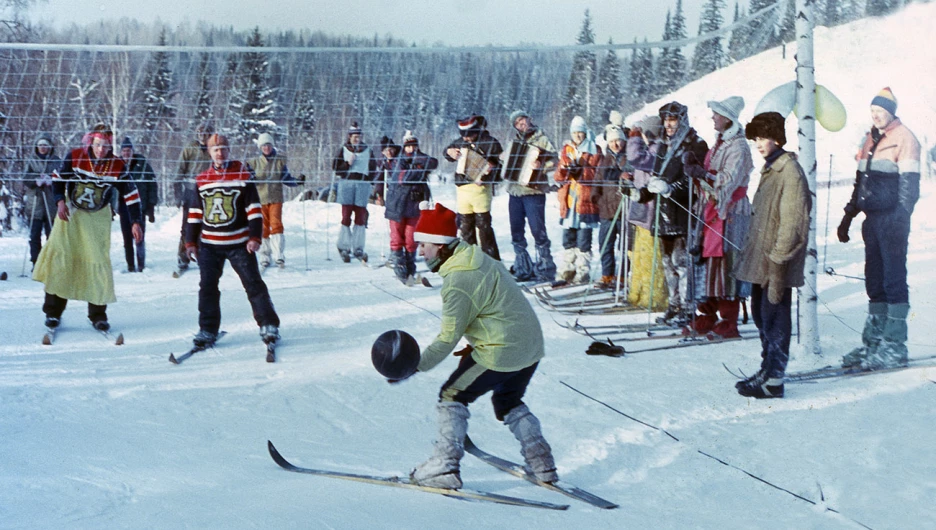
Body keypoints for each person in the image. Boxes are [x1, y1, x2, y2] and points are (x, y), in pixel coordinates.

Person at [405, 202, 558, 489]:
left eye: (424, 244)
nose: (420, 251)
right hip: (530, 345)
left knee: (452, 395)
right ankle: (543, 464)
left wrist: (415, 366)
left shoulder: (459, 280)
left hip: (500, 349)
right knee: (507, 400)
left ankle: (444, 466)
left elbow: (447, 338)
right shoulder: (474, 256)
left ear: (440, 246)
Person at [837, 87, 921, 370]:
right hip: (871, 220)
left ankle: (895, 345)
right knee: (874, 281)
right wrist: (849, 215)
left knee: (893, 279)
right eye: (873, 112)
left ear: (891, 113)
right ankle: (873, 342)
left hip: (892, 219)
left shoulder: (905, 138)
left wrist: (902, 215)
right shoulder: (869, 138)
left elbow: (910, 184)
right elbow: (860, 182)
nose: (876, 117)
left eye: (881, 112)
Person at [32, 124, 142, 331]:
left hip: (97, 217)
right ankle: (53, 312)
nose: (102, 150)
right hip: (71, 213)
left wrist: (136, 221)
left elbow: (131, 193)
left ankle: (98, 314)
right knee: (63, 259)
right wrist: (59, 201)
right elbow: (58, 179)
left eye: (106, 146)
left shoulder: (117, 165)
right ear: (91, 142)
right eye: (98, 145)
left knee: (98, 261)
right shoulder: (75, 156)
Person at [733, 112, 810, 399]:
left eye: (763, 137)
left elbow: (792, 223)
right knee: (762, 316)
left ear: (777, 137)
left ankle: (775, 378)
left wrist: (778, 261)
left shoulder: (789, 171)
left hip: (776, 263)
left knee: (776, 318)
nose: (759, 143)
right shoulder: (770, 169)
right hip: (760, 262)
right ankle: (767, 368)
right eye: (755, 139)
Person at [183, 134, 280, 349]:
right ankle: (208, 329)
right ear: (209, 152)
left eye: (223, 148)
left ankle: (268, 324)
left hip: (239, 243)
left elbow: (254, 210)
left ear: (229, 150)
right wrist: (190, 242)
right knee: (207, 287)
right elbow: (195, 213)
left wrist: (255, 237)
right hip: (210, 245)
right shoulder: (201, 180)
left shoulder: (243, 176)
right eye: (215, 149)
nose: (220, 153)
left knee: (253, 284)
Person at [683, 97, 753, 338]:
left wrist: (704, 174)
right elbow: (710, 179)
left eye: (716, 114)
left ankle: (728, 320)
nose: (713, 117)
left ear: (727, 118)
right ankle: (707, 314)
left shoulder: (738, 147)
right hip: (713, 212)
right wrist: (697, 173)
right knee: (708, 263)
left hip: (731, 213)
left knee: (727, 266)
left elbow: (728, 180)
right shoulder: (720, 144)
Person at [647, 101, 709, 324]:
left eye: (672, 119)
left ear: (682, 119)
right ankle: (674, 304)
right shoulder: (663, 144)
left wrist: (672, 189)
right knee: (668, 263)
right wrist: (643, 191)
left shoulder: (695, 144)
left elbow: (696, 178)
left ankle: (688, 306)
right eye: (665, 120)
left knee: (682, 262)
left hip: (685, 211)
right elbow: (657, 175)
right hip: (664, 213)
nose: (668, 124)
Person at [376, 130, 438, 284]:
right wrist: (419, 171)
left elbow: (433, 163)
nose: (411, 149)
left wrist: (416, 167)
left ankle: (411, 266)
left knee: (411, 239)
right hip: (396, 204)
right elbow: (401, 177)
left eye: (414, 146)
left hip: (414, 204)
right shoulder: (398, 160)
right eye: (408, 147)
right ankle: (399, 265)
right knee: (397, 237)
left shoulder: (421, 158)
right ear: (404, 147)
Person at [503, 110, 557, 283]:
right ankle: (523, 266)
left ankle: (545, 268)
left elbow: (555, 160)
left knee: (537, 229)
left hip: (534, 191)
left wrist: (541, 165)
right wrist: (502, 159)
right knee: (516, 230)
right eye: (517, 123)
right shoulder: (514, 142)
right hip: (515, 191)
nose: (522, 124)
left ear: (529, 119)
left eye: (523, 120)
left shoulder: (542, 139)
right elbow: (507, 163)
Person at [443, 114, 503, 261]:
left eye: (469, 135)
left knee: (484, 227)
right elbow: (447, 152)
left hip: (481, 191)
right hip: (463, 190)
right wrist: (448, 152)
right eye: (463, 136)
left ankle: (492, 261)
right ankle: (471, 261)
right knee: (465, 228)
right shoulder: (459, 143)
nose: (466, 139)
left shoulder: (490, 143)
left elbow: (501, 167)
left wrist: (489, 174)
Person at [626, 116, 669, 311]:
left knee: (651, 257)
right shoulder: (650, 149)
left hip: (650, 213)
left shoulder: (657, 149)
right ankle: (640, 293)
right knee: (640, 256)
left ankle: (655, 297)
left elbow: (635, 158)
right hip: (641, 212)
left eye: (642, 133)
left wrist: (633, 138)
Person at [554, 116, 602, 284]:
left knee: (583, 238)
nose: (578, 136)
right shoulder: (566, 149)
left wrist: (579, 171)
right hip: (569, 200)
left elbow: (596, 175)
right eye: (575, 132)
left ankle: (583, 270)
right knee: (568, 236)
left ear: (585, 132)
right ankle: (568, 267)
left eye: (580, 132)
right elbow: (558, 178)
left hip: (586, 200)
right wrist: (563, 169)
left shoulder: (594, 150)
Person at [247, 132, 298, 269]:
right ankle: (264, 254)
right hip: (260, 198)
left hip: (275, 197)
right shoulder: (253, 163)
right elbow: (249, 179)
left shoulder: (279, 161)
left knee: (276, 224)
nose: (266, 148)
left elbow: (286, 178)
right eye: (263, 145)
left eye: (268, 145)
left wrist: (297, 181)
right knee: (263, 227)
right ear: (260, 147)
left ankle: (278, 254)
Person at [332, 122, 378, 263]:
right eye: (354, 136)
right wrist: (347, 164)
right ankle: (344, 246)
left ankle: (358, 247)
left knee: (360, 217)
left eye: (358, 136)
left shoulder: (367, 150)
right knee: (346, 217)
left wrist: (369, 183)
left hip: (362, 184)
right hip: (347, 183)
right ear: (349, 137)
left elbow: (373, 169)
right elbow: (336, 168)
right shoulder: (344, 149)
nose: (356, 139)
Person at [174, 121, 215, 274]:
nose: (203, 137)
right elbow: (179, 170)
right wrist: (178, 195)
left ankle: (203, 255)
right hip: (191, 192)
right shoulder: (190, 148)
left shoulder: (213, 149)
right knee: (187, 226)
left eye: (206, 134)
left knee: (207, 226)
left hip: (208, 193)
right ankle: (183, 256)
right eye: (201, 134)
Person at [593, 125, 632, 288]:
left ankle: (622, 276)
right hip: (607, 211)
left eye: (618, 141)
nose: (615, 145)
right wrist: (597, 200)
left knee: (624, 246)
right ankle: (607, 275)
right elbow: (596, 182)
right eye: (612, 141)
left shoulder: (629, 157)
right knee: (605, 244)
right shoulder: (604, 159)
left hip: (624, 211)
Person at [117, 137, 158, 272]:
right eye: (124, 151)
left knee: (139, 236)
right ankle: (130, 264)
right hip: (124, 207)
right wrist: (112, 205)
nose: (126, 154)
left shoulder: (142, 165)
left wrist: (151, 206)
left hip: (140, 205)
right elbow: (111, 188)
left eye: (128, 151)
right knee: (127, 237)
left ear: (132, 151)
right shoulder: (117, 165)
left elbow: (152, 185)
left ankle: (141, 263)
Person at [23, 134, 60, 268]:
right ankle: (36, 262)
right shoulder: (31, 160)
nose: (43, 148)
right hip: (35, 203)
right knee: (34, 236)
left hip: (51, 203)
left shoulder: (56, 160)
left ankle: (51, 263)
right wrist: (35, 180)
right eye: (40, 145)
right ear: (37, 147)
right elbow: (25, 177)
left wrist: (52, 180)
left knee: (53, 236)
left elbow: (62, 176)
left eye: (45, 145)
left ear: (50, 147)